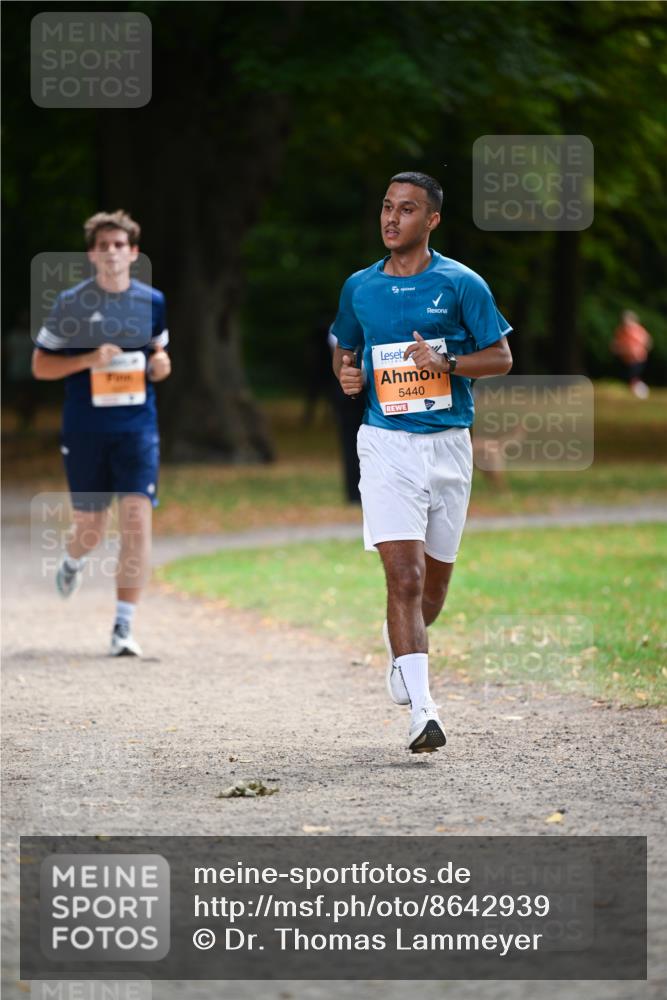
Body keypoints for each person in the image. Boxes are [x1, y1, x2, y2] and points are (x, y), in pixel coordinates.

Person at [332, 171, 512, 753]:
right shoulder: (359, 286)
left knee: (431, 592)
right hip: (385, 445)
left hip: (448, 447)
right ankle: (424, 714)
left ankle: (400, 653)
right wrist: (347, 373)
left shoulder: (462, 284)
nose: (391, 219)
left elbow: (502, 357)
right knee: (403, 579)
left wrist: (447, 362)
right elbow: (346, 347)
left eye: (406, 210)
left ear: (431, 220)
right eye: (386, 207)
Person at [31, 210, 171, 656]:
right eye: (103, 245)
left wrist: (161, 366)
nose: (111, 252)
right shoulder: (70, 303)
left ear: (133, 253)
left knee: (136, 518)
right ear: (92, 254)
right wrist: (87, 360)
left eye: (119, 245)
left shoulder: (152, 301)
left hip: (137, 427)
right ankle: (73, 560)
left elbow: (159, 356)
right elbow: (40, 366)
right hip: (87, 427)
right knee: (90, 525)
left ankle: (123, 628)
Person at [610, 310, 653, 399]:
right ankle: (635, 392)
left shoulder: (637, 330)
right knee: (630, 377)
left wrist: (637, 350)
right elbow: (617, 342)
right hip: (626, 359)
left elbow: (646, 341)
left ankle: (640, 392)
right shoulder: (621, 331)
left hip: (637, 358)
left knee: (634, 377)